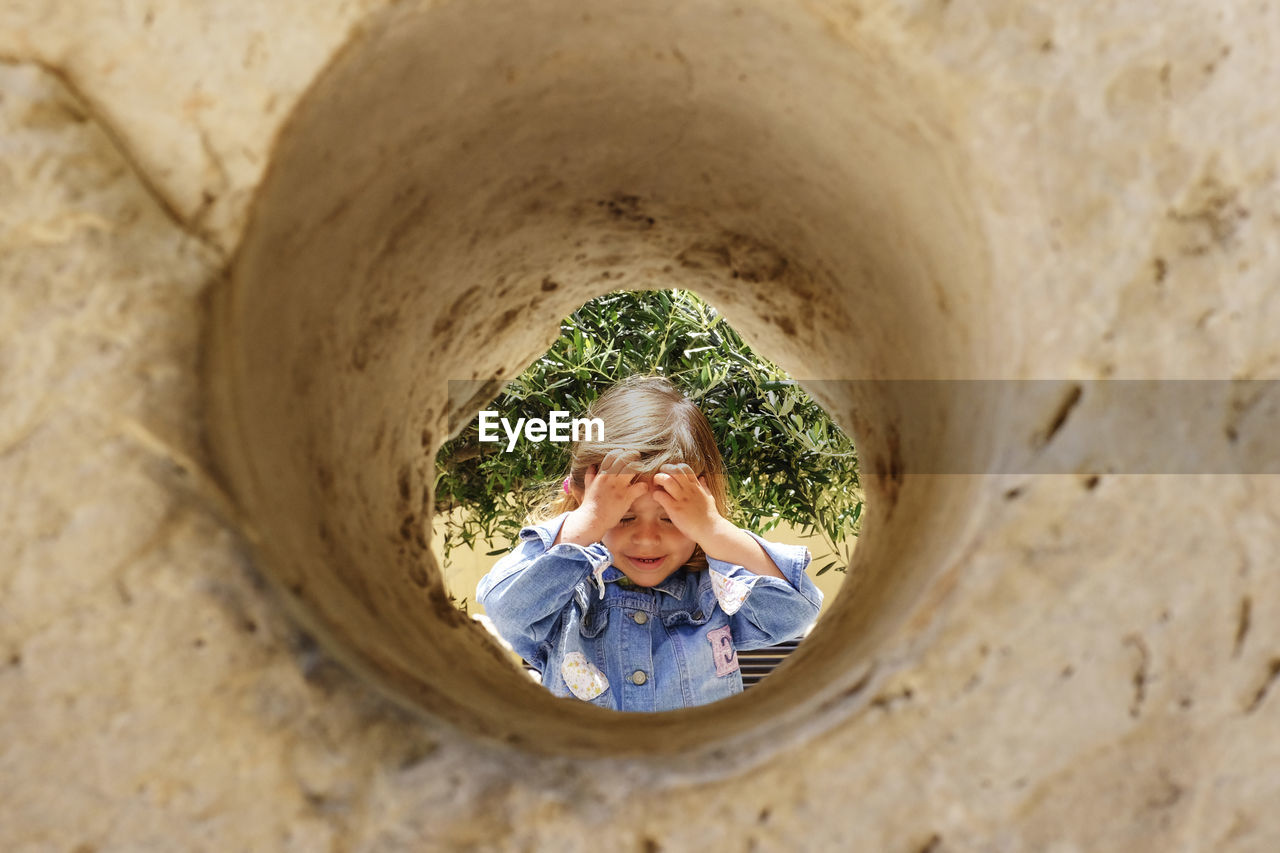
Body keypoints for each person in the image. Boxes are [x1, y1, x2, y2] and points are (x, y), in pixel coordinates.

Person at [476, 375, 822, 712]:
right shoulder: (565, 592)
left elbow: (795, 611)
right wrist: (587, 521)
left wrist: (713, 529)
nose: (646, 538)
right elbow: (505, 609)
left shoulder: (716, 591)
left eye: (672, 518)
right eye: (623, 517)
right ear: (581, 497)